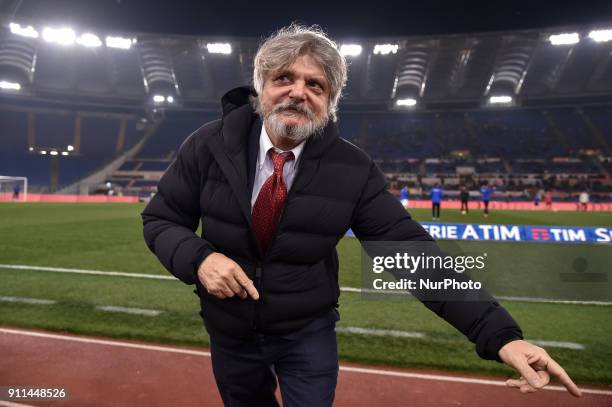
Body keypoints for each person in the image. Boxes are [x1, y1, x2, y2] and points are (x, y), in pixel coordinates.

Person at [141, 24, 581, 407]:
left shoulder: (352, 170)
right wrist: (199, 258)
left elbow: (410, 252)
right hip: (229, 330)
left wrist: (501, 334)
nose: (298, 92)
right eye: (285, 78)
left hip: (306, 333)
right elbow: (160, 219)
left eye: (316, 86)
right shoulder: (208, 144)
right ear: (260, 89)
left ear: (330, 103)